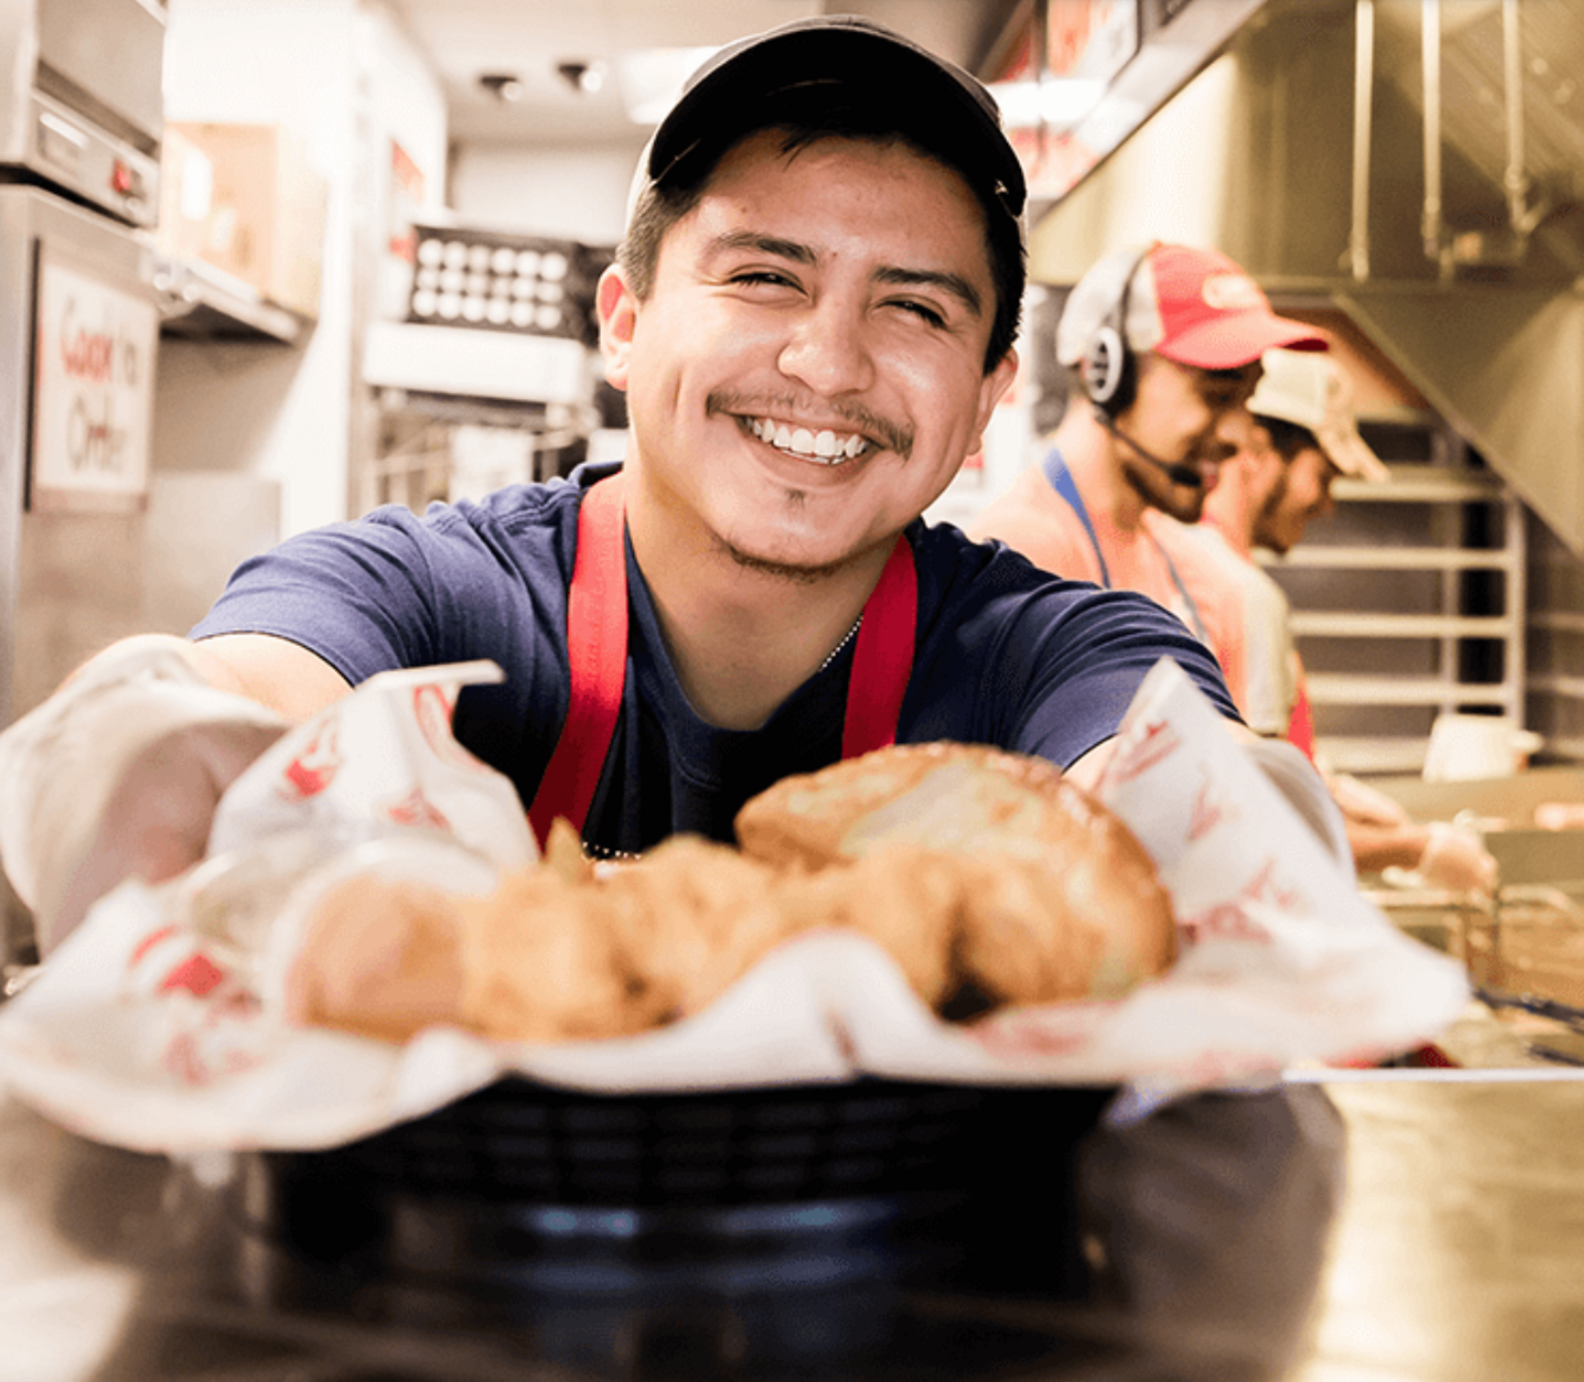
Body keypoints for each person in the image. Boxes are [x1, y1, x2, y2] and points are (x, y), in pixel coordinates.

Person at [0, 16, 1342, 1368]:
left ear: (991, 392)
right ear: (625, 323)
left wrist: (1234, 837)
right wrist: (134, 745)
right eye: (764, 275)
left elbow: (1196, 785)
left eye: (917, 306)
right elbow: (211, 700)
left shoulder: (1041, 647)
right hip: (413, 1304)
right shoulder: (436, 592)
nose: (828, 361)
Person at [1187, 347, 1498, 893]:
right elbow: (1265, 814)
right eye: (1324, 475)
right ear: (1258, 451)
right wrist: (1417, 849)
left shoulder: (1182, 559)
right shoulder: (1246, 596)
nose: (1327, 503)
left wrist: (1326, 788)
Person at [966, 240, 1326, 688]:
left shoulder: (1198, 576)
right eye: (1218, 396)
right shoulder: (1019, 562)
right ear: (1108, 373)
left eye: (1246, 401)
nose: (1239, 436)